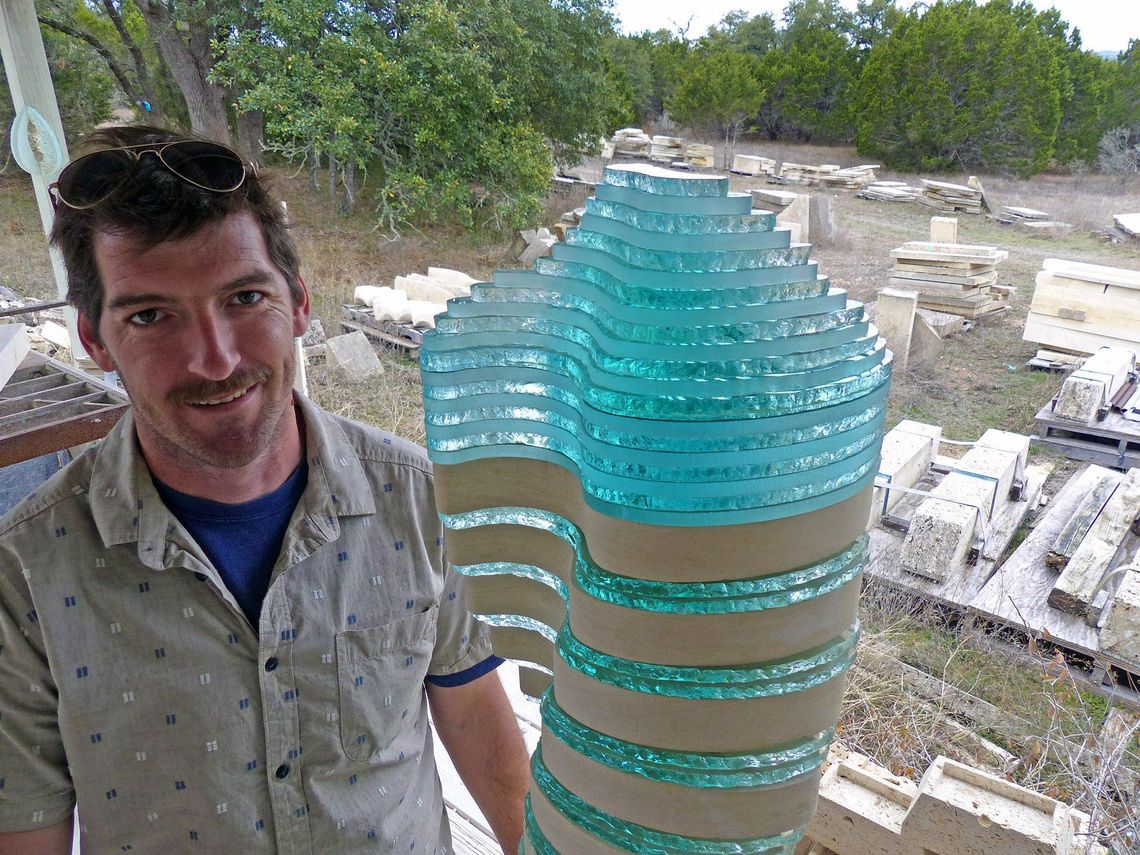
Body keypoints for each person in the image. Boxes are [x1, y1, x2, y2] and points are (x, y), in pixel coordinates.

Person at [0, 125, 529, 853]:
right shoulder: (24, 572)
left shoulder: (415, 496)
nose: (215, 360)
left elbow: (471, 707)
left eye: (245, 297)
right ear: (94, 338)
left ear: (300, 304)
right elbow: (25, 825)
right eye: (150, 315)